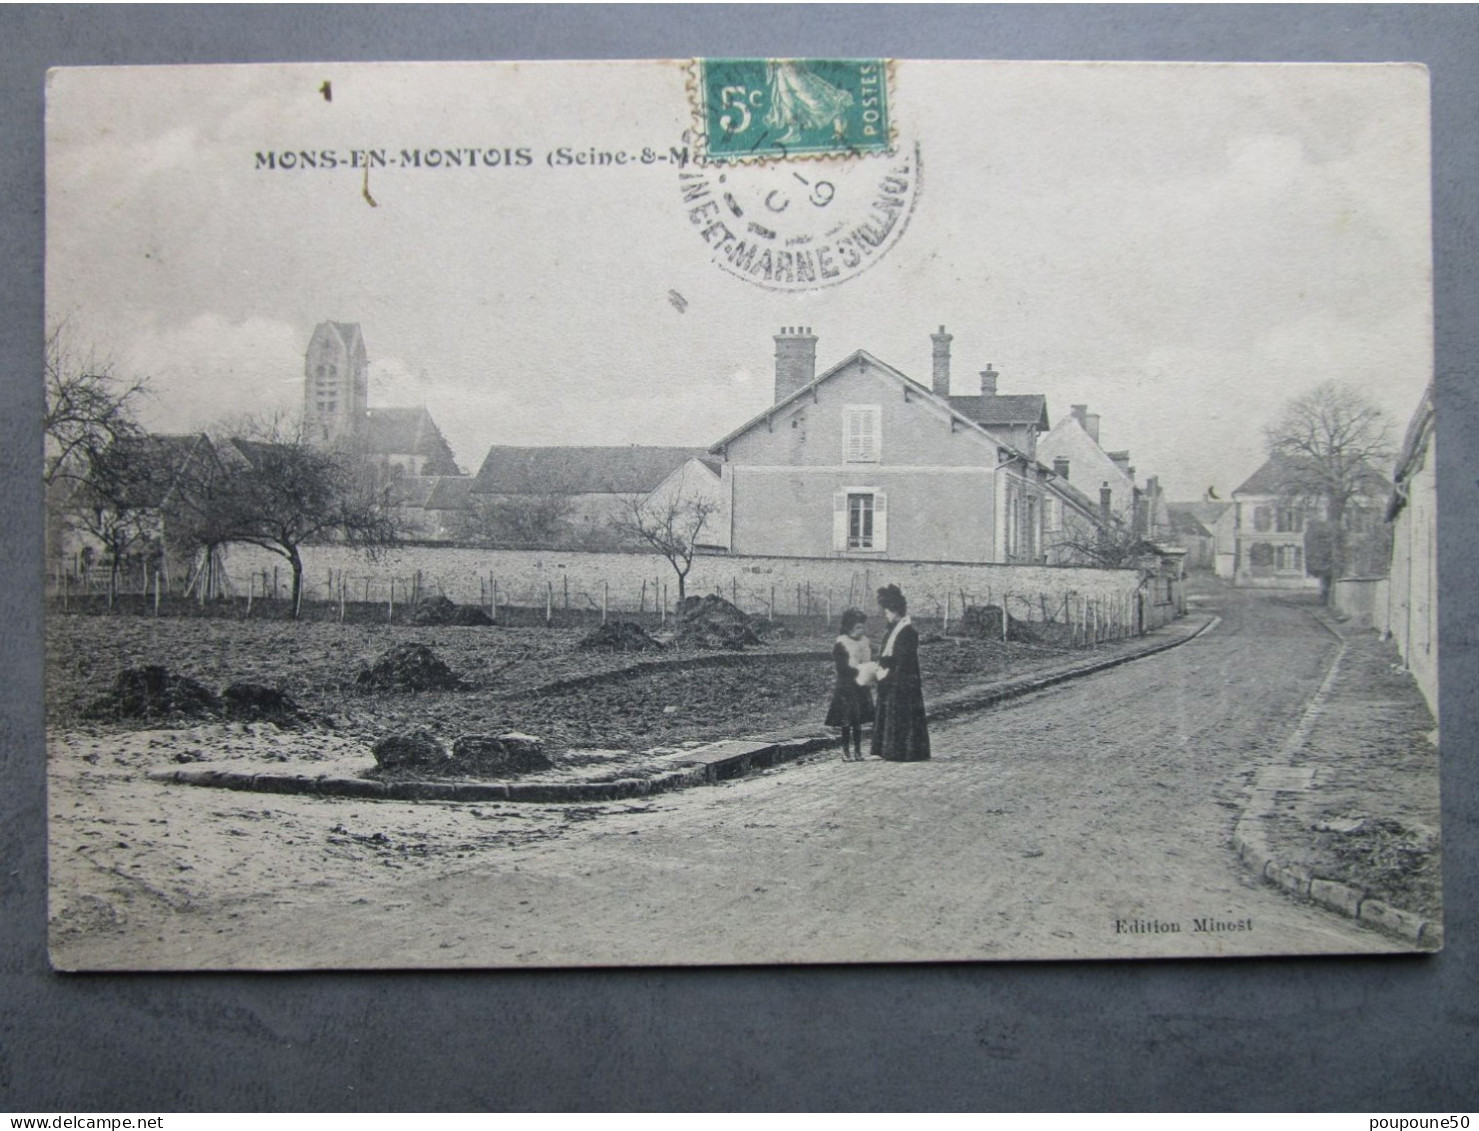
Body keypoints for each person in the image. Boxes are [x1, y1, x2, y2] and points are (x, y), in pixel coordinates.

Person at [870, 584, 931, 762]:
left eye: (887, 611)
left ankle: (904, 751)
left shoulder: (907, 632)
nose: (886, 614)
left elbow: (903, 660)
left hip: (903, 679)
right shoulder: (893, 630)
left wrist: (887, 673)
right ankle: (888, 749)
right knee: (890, 712)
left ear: (896, 611)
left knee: (901, 713)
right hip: (893, 677)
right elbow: (887, 653)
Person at [824, 607, 875, 761]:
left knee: (858, 720)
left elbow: (868, 660)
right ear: (849, 628)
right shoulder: (842, 644)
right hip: (846, 686)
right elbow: (841, 668)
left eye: (862, 626)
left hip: (860, 686)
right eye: (857, 627)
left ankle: (858, 751)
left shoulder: (865, 642)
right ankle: (845, 751)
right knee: (846, 720)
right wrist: (859, 670)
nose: (861, 630)